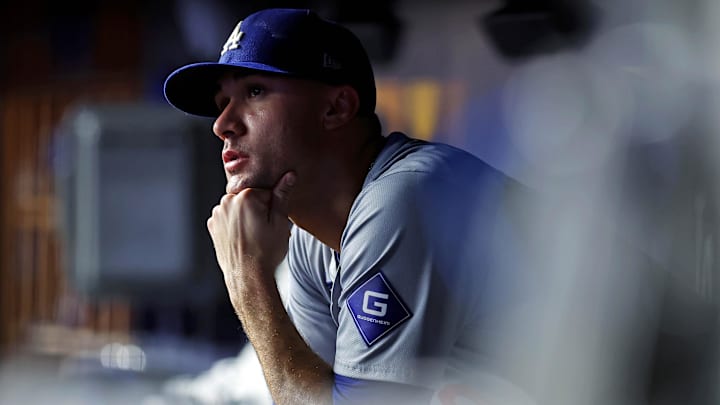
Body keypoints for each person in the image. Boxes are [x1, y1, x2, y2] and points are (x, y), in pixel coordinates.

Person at [164, 8, 530, 405]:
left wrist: (249, 282)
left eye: (254, 92)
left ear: (336, 108)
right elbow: (305, 393)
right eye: (222, 102)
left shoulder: (402, 198)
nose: (222, 124)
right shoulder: (312, 236)